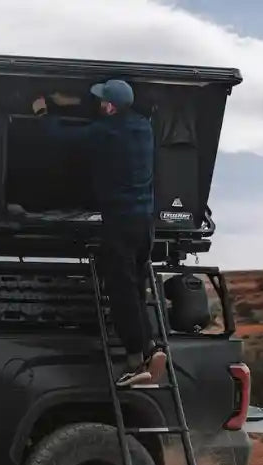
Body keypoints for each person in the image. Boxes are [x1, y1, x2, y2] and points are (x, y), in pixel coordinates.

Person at [32, 80, 166, 387]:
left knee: (121, 293)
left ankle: (135, 360)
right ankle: (152, 348)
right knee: (136, 288)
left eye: (101, 101)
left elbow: (58, 137)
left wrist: (43, 113)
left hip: (120, 223)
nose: (98, 104)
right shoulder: (143, 126)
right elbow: (105, 117)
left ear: (109, 107)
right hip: (145, 224)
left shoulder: (106, 132)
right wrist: (67, 102)